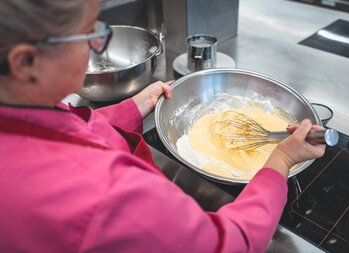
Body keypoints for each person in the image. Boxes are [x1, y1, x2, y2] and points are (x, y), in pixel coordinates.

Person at [0, 1, 326, 252]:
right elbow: (226, 244)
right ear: (26, 62)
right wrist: (280, 160)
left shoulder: (17, 112)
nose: (96, 47)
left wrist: (134, 107)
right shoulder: (107, 195)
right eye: (89, 35)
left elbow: (67, 131)